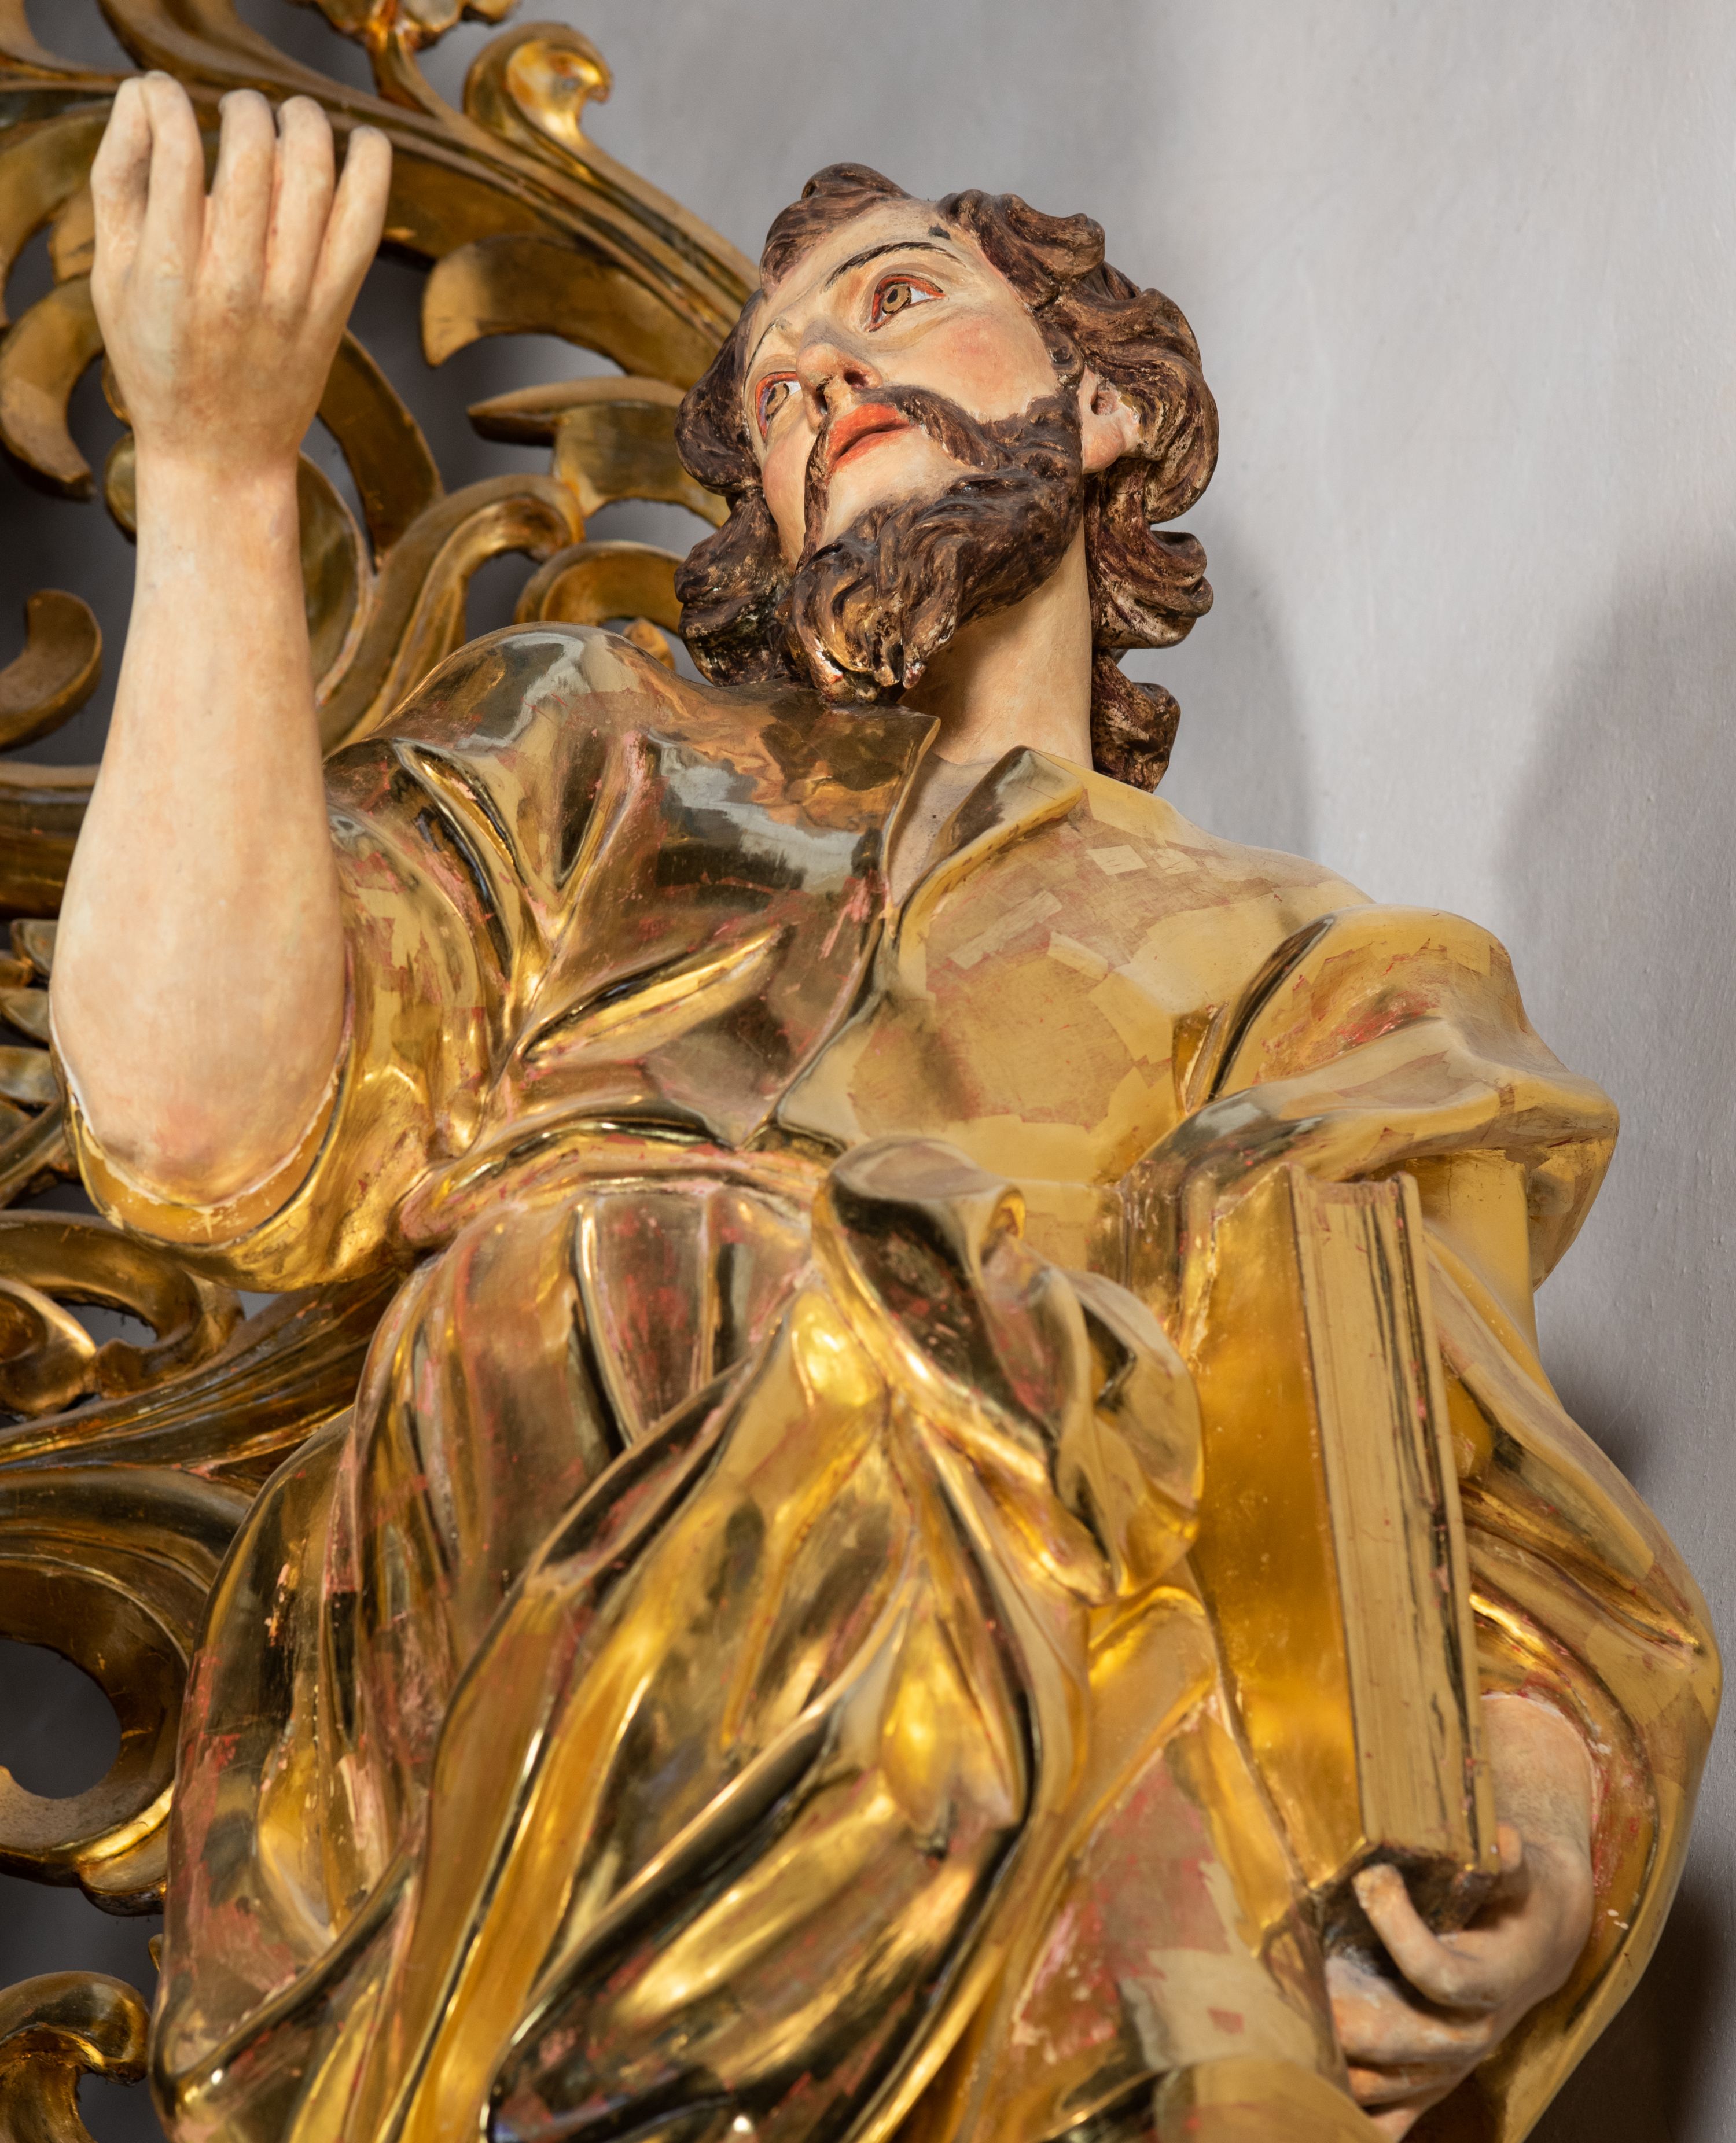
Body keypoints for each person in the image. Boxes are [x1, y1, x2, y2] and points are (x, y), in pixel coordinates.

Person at [49, 77, 1715, 2143]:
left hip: (1079, 1779)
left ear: (1103, 410)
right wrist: (217, 474)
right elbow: (196, 1120)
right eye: (773, 394)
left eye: (901, 300)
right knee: (654, 1262)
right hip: (525, 1684)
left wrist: (1523, 1830)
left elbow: (1462, 1516)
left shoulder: (1319, 978)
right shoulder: (597, 759)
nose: (823, 375)